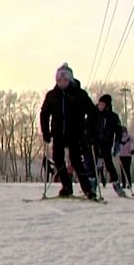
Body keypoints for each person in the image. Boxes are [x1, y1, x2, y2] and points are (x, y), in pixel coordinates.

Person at [39, 63, 100, 199]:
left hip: (75, 133)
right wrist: (46, 132)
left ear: (70, 80)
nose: (62, 83)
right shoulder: (52, 95)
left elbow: (92, 113)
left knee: (76, 160)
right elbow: (44, 113)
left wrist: (90, 133)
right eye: (59, 80)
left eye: (65, 80)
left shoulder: (80, 94)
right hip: (58, 133)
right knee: (57, 159)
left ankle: (88, 189)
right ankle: (66, 186)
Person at [94, 94, 126, 197]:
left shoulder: (113, 117)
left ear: (107, 105)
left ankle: (116, 185)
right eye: (99, 104)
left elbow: (119, 131)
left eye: (102, 104)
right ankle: (92, 185)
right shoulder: (94, 114)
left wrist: (117, 143)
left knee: (109, 164)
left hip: (106, 144)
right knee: (94, 165)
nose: (100, 106)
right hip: (95, 143)